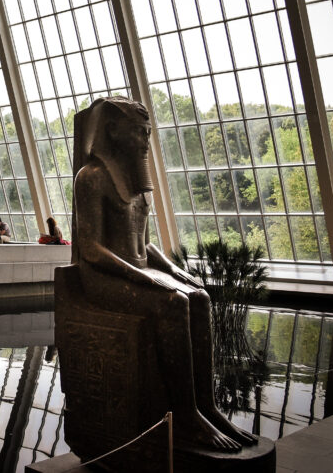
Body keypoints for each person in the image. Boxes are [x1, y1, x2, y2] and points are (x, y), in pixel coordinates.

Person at [70, 96, 254, 452]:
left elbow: (143, 245)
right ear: (112, 131)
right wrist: (143, 278)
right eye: (138, 133)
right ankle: (184, 415)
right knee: (172, 304)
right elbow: (91, 249)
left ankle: (206, 407)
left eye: (147, 134)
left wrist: (173, 270)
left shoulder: (135, 184)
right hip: (101, 279)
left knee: (199, 297)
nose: (144, 141)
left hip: (131, 271)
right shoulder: (91, 177)